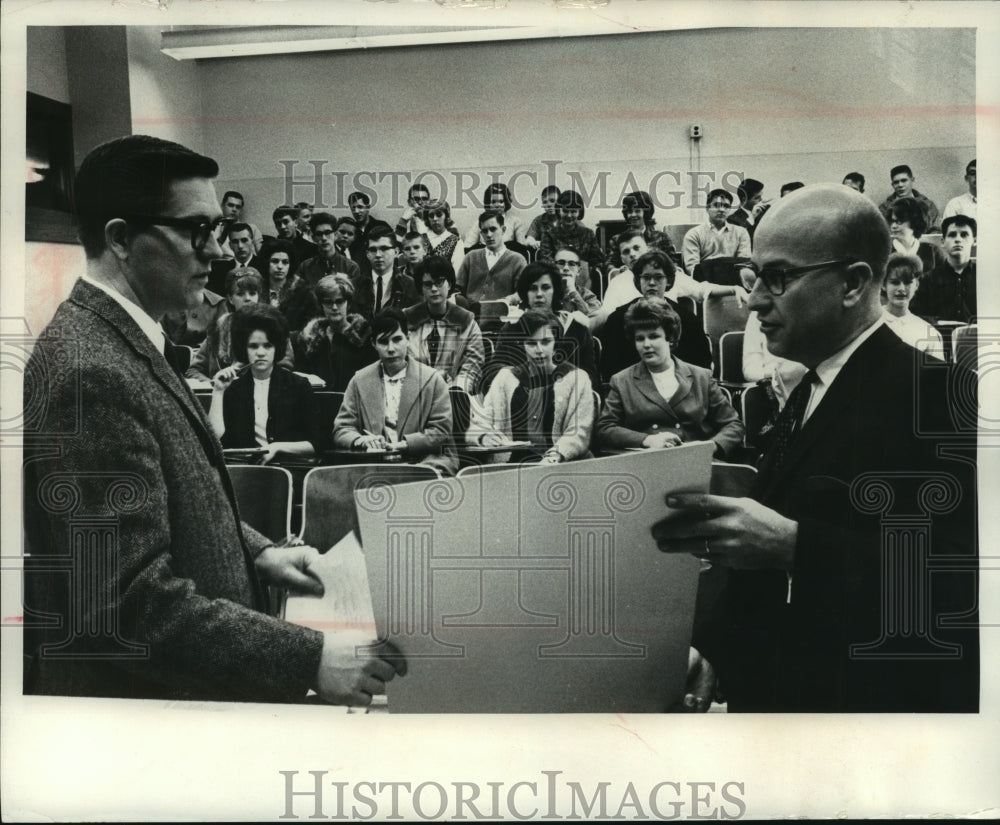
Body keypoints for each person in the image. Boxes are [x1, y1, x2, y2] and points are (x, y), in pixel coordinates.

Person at [22, 134, 406, 704]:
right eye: (197, 231)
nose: (219, 252)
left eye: (219, 231)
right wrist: (311, 658)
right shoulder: (88, 371)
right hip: (146, 725)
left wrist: (259, 552)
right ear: (121, 239)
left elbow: (176, 502)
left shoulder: (127, 338)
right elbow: (128, 604)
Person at [652, 183, 978, 712]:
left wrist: (797, 547)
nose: (754, 300)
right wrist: (713, 655)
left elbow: (960, 581)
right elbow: (761, 556)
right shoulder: (808, 386)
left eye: (778, 278)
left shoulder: (940, 397)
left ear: (852, 283)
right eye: (755, 278)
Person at [595, 298, 743, 459]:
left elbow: (733, 425)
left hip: (695, 463)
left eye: (654, 336)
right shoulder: (621, 380)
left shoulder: (701, 377)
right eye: (640, 338)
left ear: (670, 338)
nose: (646, 344)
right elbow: (605, 428)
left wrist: (710, 446)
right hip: (646, 463)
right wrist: (646, 440)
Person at [333, 308, 458, 475]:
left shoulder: (432, 379)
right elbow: (342, 429)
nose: (391, 348)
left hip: (424, 462)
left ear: (408, 339)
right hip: (374, 465)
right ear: (373, 344)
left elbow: (441, 431)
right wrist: (361, 440)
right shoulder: (359, 380)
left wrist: (406, 444)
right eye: (383, 342)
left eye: (397, 339)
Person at [469, 309, 595, 465]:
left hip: (562, 464)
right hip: (513, 467)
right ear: (522, 345)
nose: (539, 350)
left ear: (556, 342)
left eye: (545, 342)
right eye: (531, 343)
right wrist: (484, 436)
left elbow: (579, 432)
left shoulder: (577, 379)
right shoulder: (505, 378)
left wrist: (557, 454)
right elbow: (480, 421)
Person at [208, 303, 325, 461]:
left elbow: (317, 443)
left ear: (277, 348)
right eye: (253, 346)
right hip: (244, 472)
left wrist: (277, 447)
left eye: (268, 346)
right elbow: (214, 441)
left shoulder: (298, 386)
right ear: (244, 349)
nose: (261, 353)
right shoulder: (233, 388)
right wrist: (219, 391)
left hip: (289, 469)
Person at [480, 261, 600, 394]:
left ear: (555, 291)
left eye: (546, 287)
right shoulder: (513, 327)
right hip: (523, 401)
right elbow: (495, 370)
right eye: (532, 288)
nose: (539, 294)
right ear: (525, 293)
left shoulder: (576, 328)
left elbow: (591, 379)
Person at [597, 249, 713, 380]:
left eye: (658, 277)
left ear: (668, 281)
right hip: (631, 389)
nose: (652, 283)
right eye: (646, 277)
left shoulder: (687, 318)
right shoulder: (618, 318)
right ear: (638, 281)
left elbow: (701, 364)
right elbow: (610, 366)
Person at [403, 256, 485, 394]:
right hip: (413, 393)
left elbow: (473, 367)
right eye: (428, 284)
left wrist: (453, 390)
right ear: (421, 288)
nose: (434, 289)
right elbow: (399, 363)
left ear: (450, 284)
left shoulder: (466, 321)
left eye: (439, 282)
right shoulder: (406, 319)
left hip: (453, 395)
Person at [292, 275, 377, 393]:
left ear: (349, 303)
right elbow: (300, 378)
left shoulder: (364, 336)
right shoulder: (309, 339)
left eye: (339, 301)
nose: (334, 307)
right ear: (321, 305)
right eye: (328, 302)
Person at [909, 215, 977, 323]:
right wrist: (939, 322)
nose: (958, 239)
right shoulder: (927, 280)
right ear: (942, 241)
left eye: (964, 235)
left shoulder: (984, 277)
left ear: (974, 240)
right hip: (939, 337)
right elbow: (914, 316)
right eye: (952, 235)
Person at [538, 190, 606, 294]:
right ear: (559, 210)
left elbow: (597, 261)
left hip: (584, 286)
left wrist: (587, 275)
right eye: (565, 211)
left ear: (579, 212)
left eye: (573, 211)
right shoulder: (549, 234)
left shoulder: (588, 234)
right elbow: (547, 263)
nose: (569, 215)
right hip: (556, 285)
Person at [880, 253, 946, 360]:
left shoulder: (928, 331)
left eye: (907, 282)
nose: (901, 288)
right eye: (895, 282)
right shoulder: (870, 323)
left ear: (916, 285)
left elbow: (937, 374)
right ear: (883, 285)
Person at [455, 211, 527, 303]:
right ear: (481, 234)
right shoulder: (471, 257)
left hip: (504, 313)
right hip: (472, 313)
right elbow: (458, 289)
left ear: (503, 230)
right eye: (485, 231)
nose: (489, 235)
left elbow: (523, 291)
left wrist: (508, 300)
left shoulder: (517, 260)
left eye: (493, 229)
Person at [682, 188, 752, 277]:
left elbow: (744, 264)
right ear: (707, 208)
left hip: (733, 279)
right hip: (704, 282)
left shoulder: (741, 233)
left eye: (726, 206)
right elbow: (692, 269)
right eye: (716, 205)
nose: (722, 210)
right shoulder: (694, 234)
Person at [351, 226, 419, 318]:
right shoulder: (354, 286)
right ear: (367, 254)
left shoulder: (410, 286)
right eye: (373, 250)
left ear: (396, 252)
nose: (378, 255)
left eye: (384, 248)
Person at [605, 190, 680, 268]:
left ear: (646, 212)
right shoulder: (617, 240)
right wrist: (618, 271)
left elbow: (673, 264)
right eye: (630, 211)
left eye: (637, 211)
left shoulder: (661, 238)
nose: (633, 215)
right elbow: (609, 265)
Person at [295, 212, 361, 286]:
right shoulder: (305, 267)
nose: (324, 238)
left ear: (335, 235)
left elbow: (355, 296)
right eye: (319, 234)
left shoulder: (351, 267)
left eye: (327, 233)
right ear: (314, 238)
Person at [886, 197, 944, 275]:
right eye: (892, 221)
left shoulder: (933, 251)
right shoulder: (885, 252)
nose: (893, 226)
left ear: (914, 222)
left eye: (899, 221)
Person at [878, 164, 940, 233]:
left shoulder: (928, 205)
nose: (900, 185)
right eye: (896, 182)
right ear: (892, 185)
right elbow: (881, 233)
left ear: (912, 180)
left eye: (904, 180)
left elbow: (935, 231)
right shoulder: (884, 208)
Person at [347, 191, 393, 271]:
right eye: (353, 208)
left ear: (368, 207)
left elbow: (393, 249)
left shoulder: (381, 226)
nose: (356, 211)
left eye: (360, 207)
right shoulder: (350, 230)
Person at [554, 247, 602, 319]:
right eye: (561, 263)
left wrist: (573, 292)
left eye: (571, 264)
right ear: (553, 267)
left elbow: (592, 319)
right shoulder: (546, 291)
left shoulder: (588, 296)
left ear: (578, 271)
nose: (566, 268)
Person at [420, 198, 465, 272]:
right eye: (431, 216)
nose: (435, 219)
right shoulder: (420, 239)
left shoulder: (456, 242)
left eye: (439, 214)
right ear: (427, 219)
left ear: (446, 216)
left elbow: (457, 272)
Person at [524, 184, 560, 251]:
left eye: (552, 200)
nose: (549, 205)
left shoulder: (568, 218)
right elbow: (528, 240)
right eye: (545, 202)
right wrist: (532, 242)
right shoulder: (539, 220)